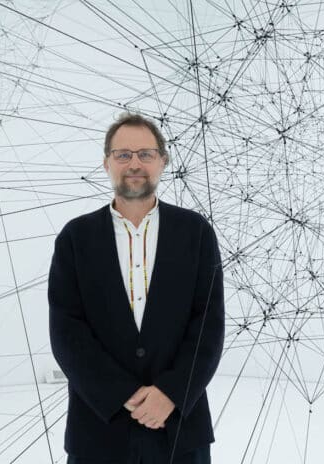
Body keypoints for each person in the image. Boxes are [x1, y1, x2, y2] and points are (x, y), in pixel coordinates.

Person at [47, 112, 224, 463]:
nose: (134, 163)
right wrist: (122, 393)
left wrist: (171, 393)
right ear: (106, 163)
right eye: (123, 154)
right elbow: (66, 330)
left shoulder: (196, 232)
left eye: (145, 154)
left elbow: (208, 325)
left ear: (162, 161)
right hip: (98, 429)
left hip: (179, 428)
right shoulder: (75, 238)